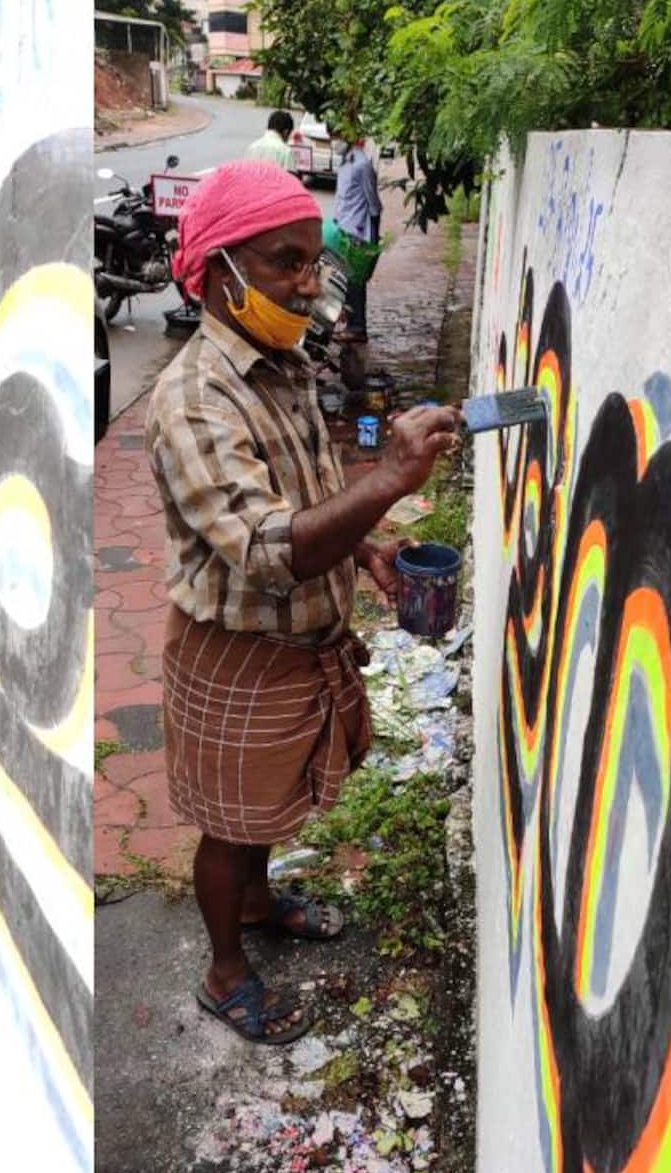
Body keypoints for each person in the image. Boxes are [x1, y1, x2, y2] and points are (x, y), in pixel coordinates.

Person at [147, 160, 461, 1044]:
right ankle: (224, 971)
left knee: (264, 807)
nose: (307, 282)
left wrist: (363, 545)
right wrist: (390, 478)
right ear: (218, 273)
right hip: (238, 653)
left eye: (312, 260)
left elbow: (304, 494)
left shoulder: (280, 363)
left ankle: (257, 902)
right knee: (226, 823)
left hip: (295, 646)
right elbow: (264, 547)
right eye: (284, 262)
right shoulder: (194, 400)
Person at [334, 131, 383, 342]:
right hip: (343, 229)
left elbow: (374, 205)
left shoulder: (362, 165)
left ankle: (357, 328)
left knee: (356, 281)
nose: (333, 142)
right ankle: (351, 323)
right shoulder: (345, 162)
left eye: (336, 136)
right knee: (345, 279)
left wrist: (374, 240)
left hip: (358, 232)